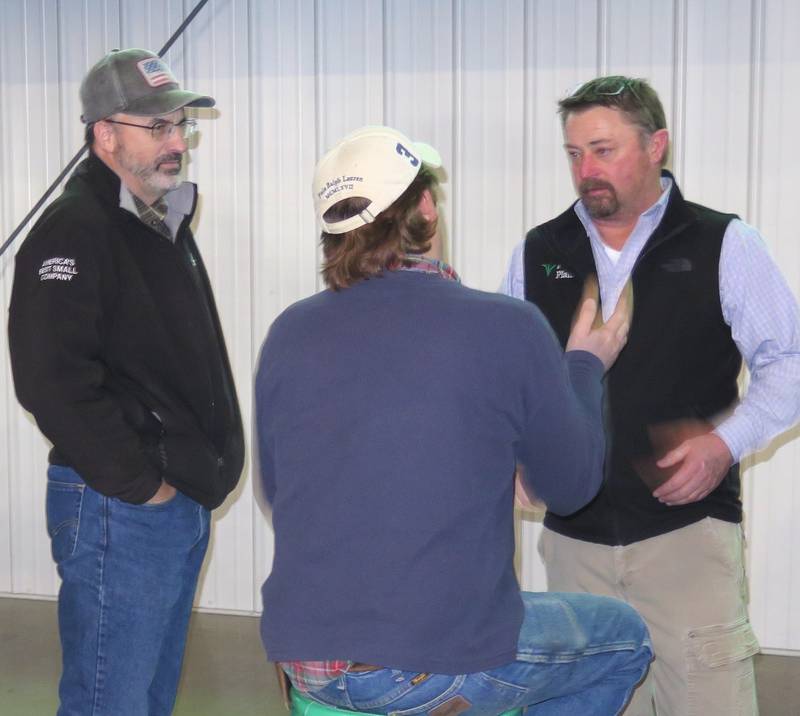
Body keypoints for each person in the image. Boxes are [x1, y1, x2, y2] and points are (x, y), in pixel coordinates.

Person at [256, 125, 651, 715]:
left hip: (305, 662)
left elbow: (275, 493)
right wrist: (585, 365)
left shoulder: (290, 331)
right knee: (623, 638)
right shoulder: (504, 326)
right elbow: (570, 489)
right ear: (425, 208)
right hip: (432, 663)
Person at [501, 75, 800, 715]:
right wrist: (515, 452)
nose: (587, 171)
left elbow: (790, 363)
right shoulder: (538, 251)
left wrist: (725, 444)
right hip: (573, 549)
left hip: (687, 538)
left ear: (656, 144)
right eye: (575, 153)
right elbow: (506, 379)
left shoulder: (724, 243)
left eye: (604, 150)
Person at [8, 48, 244, 715]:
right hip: (121, 510)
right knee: (110, 703)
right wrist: (147, 487)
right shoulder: (74, 231)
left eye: (180, 126)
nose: (177, 143)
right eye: (159, 127)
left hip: (170, 508)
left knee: (143, 701)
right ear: (105, 135)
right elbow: (52, 381)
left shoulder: (157, 221)